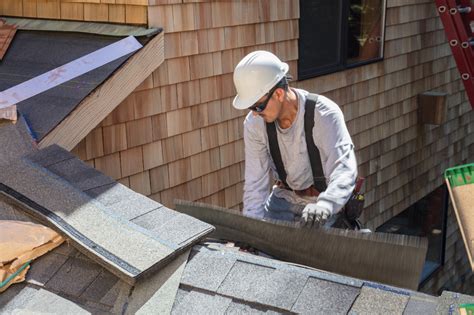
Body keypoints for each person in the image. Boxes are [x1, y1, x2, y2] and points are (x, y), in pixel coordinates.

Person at [232, 51, 358, 228]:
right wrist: (251, 228)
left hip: (321, 205)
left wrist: (326, 205)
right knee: (261, 250)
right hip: (282, 202)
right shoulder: (255, 124)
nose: (254, 113)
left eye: (258, 106)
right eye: (250, 108)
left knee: (313, 254)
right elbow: (255, 183)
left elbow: (343, 168)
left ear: (278, 94)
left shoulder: (323, 114)